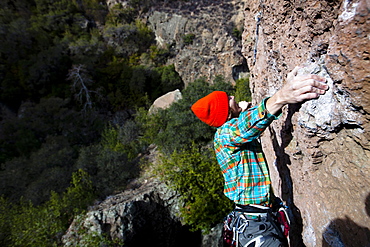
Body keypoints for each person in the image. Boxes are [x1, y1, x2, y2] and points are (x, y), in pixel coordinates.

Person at [191, 67, 329, 246]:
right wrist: (283, 96)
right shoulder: (225, 134)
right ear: (224, 112)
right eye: (228, 99)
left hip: (257, 220)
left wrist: (283, 88)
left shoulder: (233, 132)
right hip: (255, 225)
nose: (233, 97)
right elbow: (249, 124)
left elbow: (251, 121)